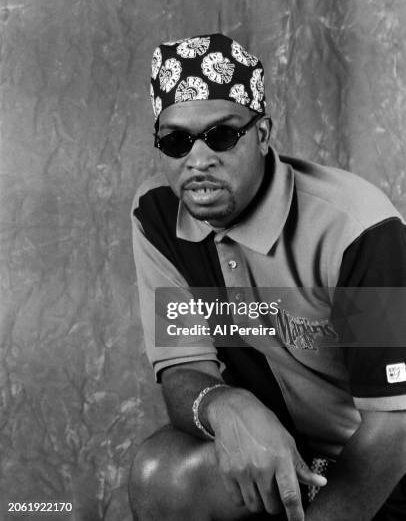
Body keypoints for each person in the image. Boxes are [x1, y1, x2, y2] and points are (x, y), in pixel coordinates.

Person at [129, 33, 406, 520]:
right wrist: (223, 404)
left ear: (262, 134)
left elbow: (396, 426)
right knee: (160, 474)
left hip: (381, 469)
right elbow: (181, 369)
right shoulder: (157, 215)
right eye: (176, 141)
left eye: (221, 135)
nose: (198, 160)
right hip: (275, 458)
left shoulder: (359, 228)